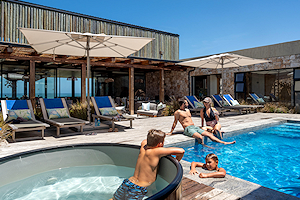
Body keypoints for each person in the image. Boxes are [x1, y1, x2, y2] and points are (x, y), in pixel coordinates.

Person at [111, 129, 185, 200]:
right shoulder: (157, 151)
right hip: (139, 188)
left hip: (128, 182)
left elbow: (145, 141)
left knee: (113, 199)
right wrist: (177, 160)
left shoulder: (143, 146)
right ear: (160, 144)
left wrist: (152, 138)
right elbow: (181, 151)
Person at [167, 98, 235, 145]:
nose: (188, 104)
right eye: (186, 103)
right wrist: (171, 132)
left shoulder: (187, 110)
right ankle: (203, 147)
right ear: (183, 104)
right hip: (187, 128)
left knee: (209, 134)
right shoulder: (178, 112)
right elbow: (175, 122)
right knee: (199, 137)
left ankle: (223, 142)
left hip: (194, 127)